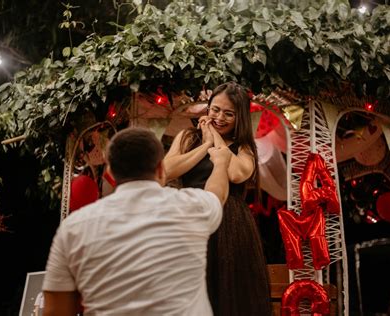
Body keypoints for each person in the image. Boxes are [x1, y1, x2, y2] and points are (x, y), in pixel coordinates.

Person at [42, 127, 232, 316]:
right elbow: (217, 194)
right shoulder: (191, 206)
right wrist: (221, 163)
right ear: (160, 169)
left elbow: (55, 311)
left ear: (110, 172)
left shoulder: (73, 228)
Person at [164, 82, 272, 315]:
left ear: (240, 117)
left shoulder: (245, 148)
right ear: (208, 108)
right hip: (191, 217)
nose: (219, 117)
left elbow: (235, 173)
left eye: (228, 114)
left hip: (229, 224)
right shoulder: (187, 137)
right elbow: (167, 170)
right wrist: (205, 147)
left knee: (228, 291)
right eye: (215, 109)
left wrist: (214, 137)